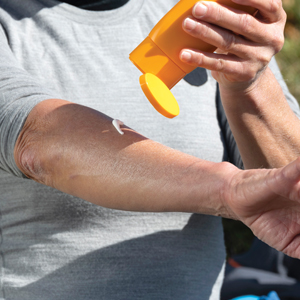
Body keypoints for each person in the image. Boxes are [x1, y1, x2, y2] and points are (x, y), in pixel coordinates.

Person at [0, 0, 300, 299]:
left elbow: (291, 200)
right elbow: (37, 141)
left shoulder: (207, 16)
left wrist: (250, 82)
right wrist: (226, 189)